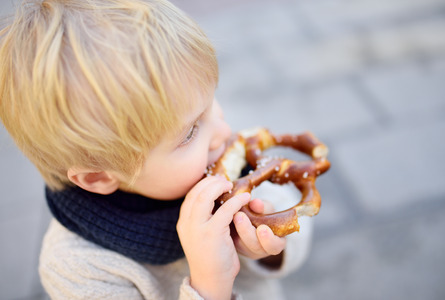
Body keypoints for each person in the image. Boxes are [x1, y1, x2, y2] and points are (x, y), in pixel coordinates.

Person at [0, 0, 313, 299]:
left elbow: (291, 218)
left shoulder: (231, 170)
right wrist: (208, 286)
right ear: (98, 177)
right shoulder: (79, 269)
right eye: (190, 132)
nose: (223, 131)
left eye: (210, 104)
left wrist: (270, 248)